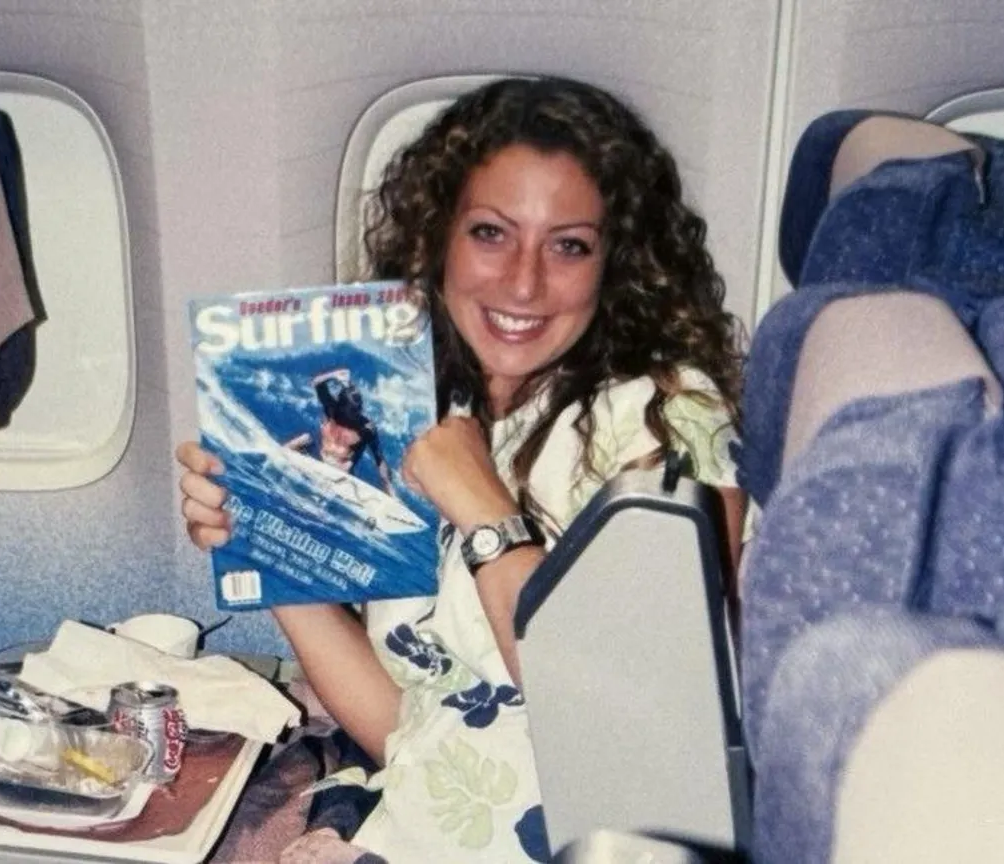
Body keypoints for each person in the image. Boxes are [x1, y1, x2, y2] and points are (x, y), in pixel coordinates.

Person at [177, 76, 747, 863]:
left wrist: (484, 512)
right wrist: (269, 550)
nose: (523, 281)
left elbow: (632, 743)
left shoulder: (668, 418)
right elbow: (414, 729)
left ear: (614, 264)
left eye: (569, 245)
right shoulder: (414, 410)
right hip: (415, 833)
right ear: (438, 239)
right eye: (490, 233)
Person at [285, 368, 397, 496]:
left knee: (345, 466)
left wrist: (389, 488)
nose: (357, 414)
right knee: (305, 439)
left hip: (340, 476)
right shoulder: (330, 409)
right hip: (317, 461)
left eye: (358, 410)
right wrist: (334, 375)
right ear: (341, 405)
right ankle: (278, 455)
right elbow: (317, 383)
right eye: (352, 410)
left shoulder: (366, 429)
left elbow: (380, 460)